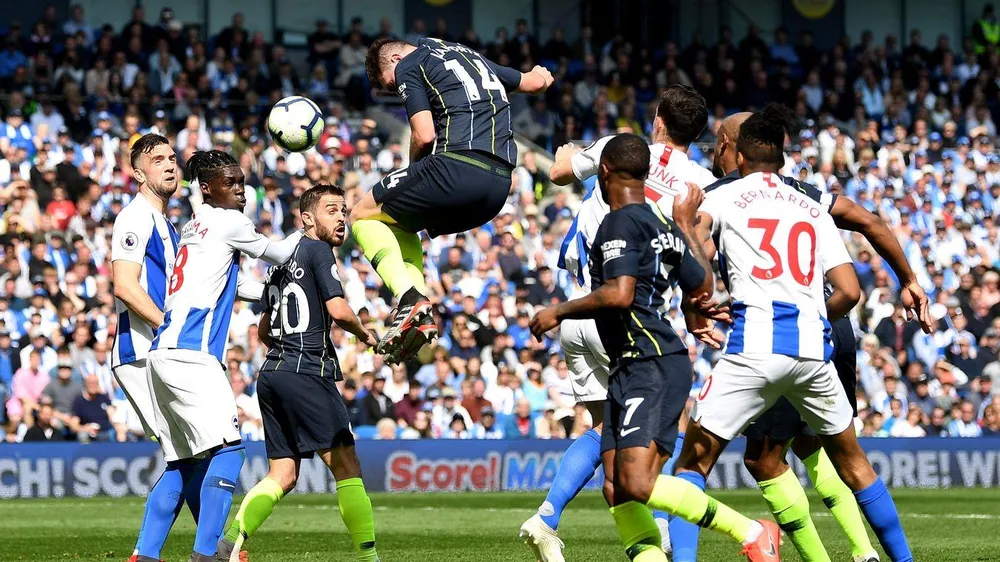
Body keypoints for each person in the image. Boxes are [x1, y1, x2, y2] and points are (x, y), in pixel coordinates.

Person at [670, 107, 929, 562]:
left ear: (739, 154)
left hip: (755, 348)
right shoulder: (812, 204)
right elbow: (850, 290)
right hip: (814, 350)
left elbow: (699, 269)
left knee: (693, 464)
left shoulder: (721, 195)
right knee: (853, 463)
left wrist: (684, 224)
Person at [530, 133, 780, 562]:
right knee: (616, 486)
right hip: (634, 362)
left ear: (603, 172)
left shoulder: (618, 222)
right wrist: (685, 226)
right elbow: (701, 284)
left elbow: (620, 293)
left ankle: (752, 531)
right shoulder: (663, 223)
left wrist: (559, 310)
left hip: (650, 361)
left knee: (637, 482)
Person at [519, 84, 717, 561]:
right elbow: (700, 254)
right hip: (629, 318)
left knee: (603, 427)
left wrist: (567, 153)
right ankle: (669, 531)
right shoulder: (701, 183)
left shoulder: (619, 150)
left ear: (658, 120)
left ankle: (547, 516)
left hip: (578, 308)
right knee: (673, 428)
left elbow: (560, 171)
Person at [146, 150, 303, 562]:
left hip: (161, 355)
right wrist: (310, 229)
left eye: (241, 182)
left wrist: (270, 294)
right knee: (230, 453)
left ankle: (144, 555)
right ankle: (208, 556)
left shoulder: (195, 226)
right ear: (206, 188)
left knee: (181, 463)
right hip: (193, 354)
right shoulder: (229, 221)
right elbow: (281, 254)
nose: (240, 190)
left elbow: (234, 286)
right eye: (229, 182)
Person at [357, 36, 553, 361]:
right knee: (401, 223)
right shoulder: (471, 57)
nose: (396, 90)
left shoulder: (409, 63)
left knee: (362, 214)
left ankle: (409, 298)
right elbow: (533, 82)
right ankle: (417, 311)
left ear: (393, 59)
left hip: (459, 166)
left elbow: (424, 135)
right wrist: (542, 76)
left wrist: (414, 173)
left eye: (391, 86)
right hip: (498, 186)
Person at [218, 184, 381, 562]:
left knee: (283, 474)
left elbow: (263, 330)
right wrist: (367, 336)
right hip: (306, 369)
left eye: (343, 211)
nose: (341, 218)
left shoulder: (278, 264)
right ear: (307, 218)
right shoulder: (318, 250)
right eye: (331, 210)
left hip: (272, 373)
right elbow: (338, 310)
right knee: (347, 466)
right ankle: (369, 559)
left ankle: (228, 543)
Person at [111, 133, 198, 562]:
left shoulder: (166, 223)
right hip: (141, 351)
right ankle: (216, 546)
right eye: (158, 159)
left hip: (162, 350)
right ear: (138, 173)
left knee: (189, 451)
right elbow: (125, 286)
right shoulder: (134, 217)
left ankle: (149, 554)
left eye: (172, 158)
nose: (169, 165)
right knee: (193, 450)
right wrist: (169, 327)